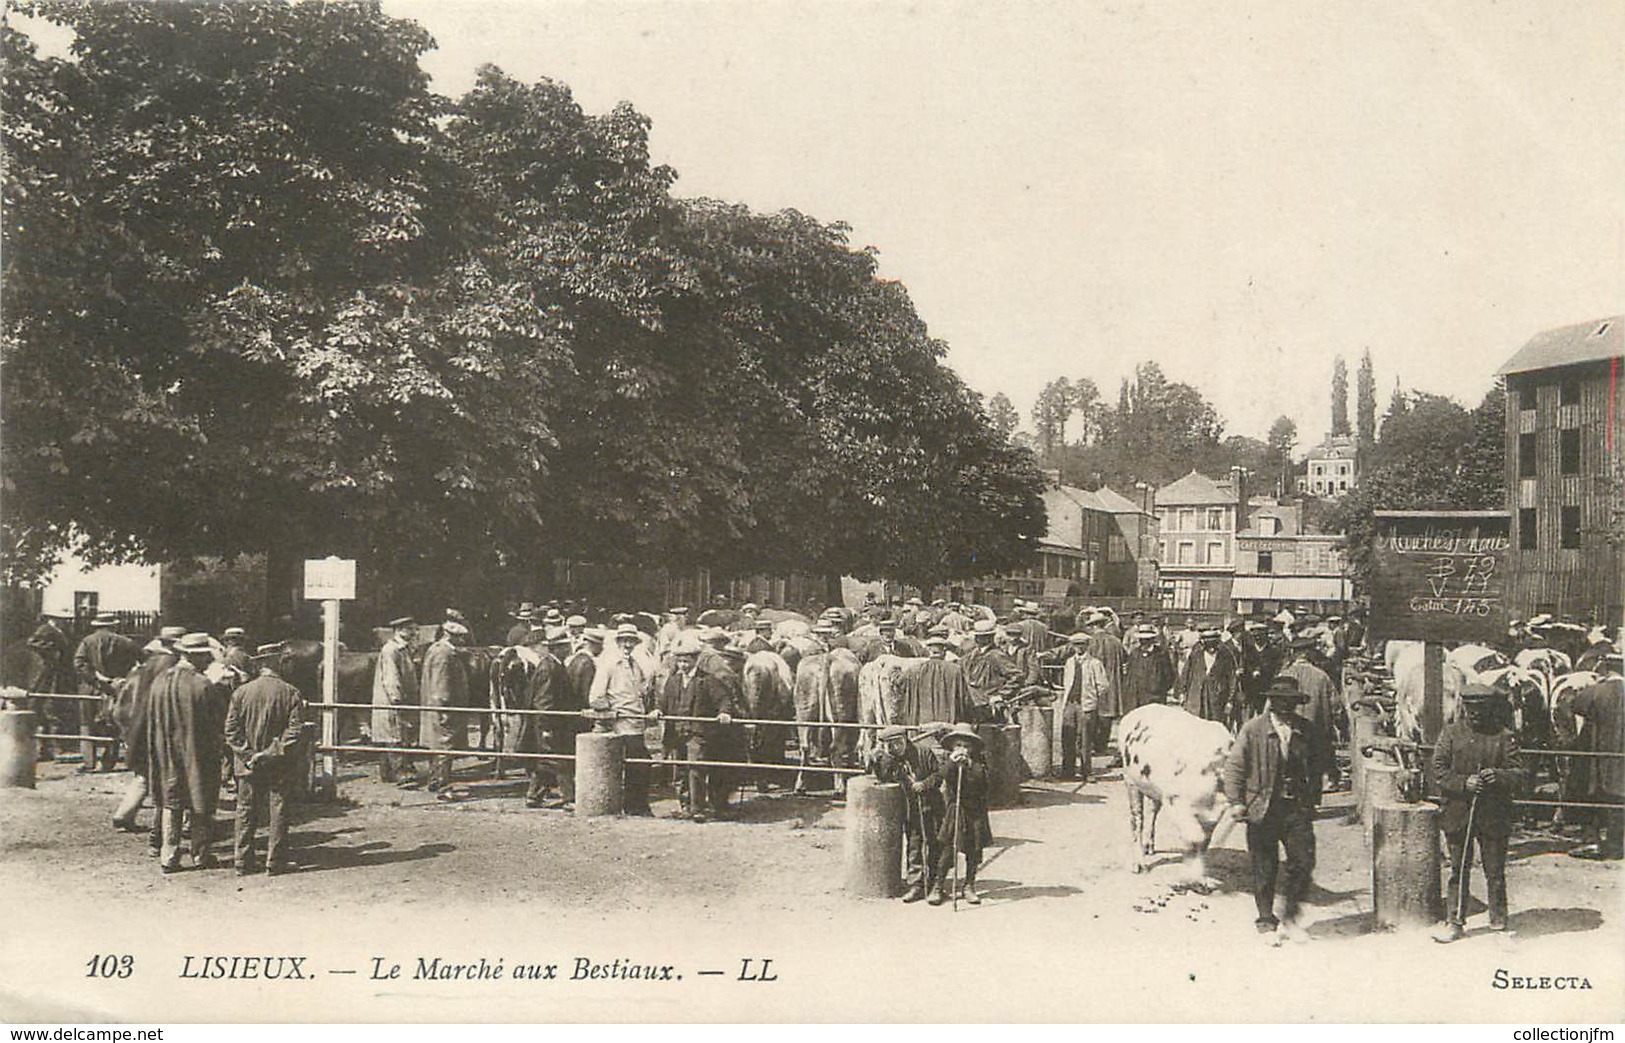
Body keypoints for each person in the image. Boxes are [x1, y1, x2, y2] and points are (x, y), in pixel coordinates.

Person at [1222, 675, 1332, 943]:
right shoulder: (1253, 730)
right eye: (1281, 702)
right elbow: (1235, 767)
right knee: (1264, 866)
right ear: (1271, 702)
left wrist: (1318, 787)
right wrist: (1236, 801)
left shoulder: (1306, 729)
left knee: (1303, 861)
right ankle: (1266, 920)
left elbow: (1319, 761)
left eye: (1291, 703)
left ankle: (1291, 916)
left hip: (1296, 807)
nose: (1286, 708)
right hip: (1263, 807)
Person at [1432, 684, 1528, 941]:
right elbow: (1439, 770)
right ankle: (1455, 921)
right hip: (1458, 813)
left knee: (1494, 870)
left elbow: (1519, 773)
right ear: (1464, 707)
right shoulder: (1450, 734)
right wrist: (1464, 783)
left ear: (1491, 710)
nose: (1475, 715)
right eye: (1471, 710)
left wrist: (1498, 776)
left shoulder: (1504, 737)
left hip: (1493, 815)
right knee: (1458, 869)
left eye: (1481, 710)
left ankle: (1498, 920)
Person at [147, 633, 229, 873]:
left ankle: (168, 855)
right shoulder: (202, 684)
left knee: (171, 802)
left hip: (165, 752)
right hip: (197, 752)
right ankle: (200, 854)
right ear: (197, 656)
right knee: (200, 800)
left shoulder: (160, 680)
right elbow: (219, 722)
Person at [224, 644, 306, 875]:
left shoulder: (241, 692)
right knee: (278, 810)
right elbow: (294, 731)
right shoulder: (290, 692)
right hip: (278, 764)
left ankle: (242, 861)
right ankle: (275, 861)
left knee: (245, 810)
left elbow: (231, 730)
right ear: (278, 663)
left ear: (260, 665)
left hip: (247, 765)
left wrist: (249, 755)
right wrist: (271, 752)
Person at [651, 634, 736, 822]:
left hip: (697, 732)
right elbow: (663, 701)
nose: (682, 665)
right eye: (679, 661)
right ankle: (685, 804)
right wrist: (657, 709)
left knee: (695, 767)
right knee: (680, 769)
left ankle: (697, 807)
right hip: (677, 732)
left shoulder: (707, 680)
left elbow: (723, 699)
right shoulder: (673, 681)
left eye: (686, 660)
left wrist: (724, 712)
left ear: (695, 659)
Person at [110, 628, 184, 837]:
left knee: (144, 771)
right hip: (158, 722)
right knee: (165, 774)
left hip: (138, 721)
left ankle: (125, 813)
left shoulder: (148, 664)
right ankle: (168, 825)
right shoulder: (170, 665)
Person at [867, 723, 947, 902]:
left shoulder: (924, 753)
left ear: (905, 740)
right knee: (914, 846)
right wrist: (877, 761)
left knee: (935, 844)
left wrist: (925, 784)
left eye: (897, 742)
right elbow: (884, 778)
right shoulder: (891, 759)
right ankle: (916, 885)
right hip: (911, 810)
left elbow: (939, 775)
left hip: (931, 806)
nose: (895, 747)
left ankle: (935, 884)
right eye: (890, 744)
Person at [1554, 658, 1622, 860]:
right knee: (1619, 800)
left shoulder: (1597, 690)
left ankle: (1593, 841)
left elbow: (1575, 705)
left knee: (1593, 797)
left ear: (1606, 670)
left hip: (1599, 757)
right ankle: (1616, 843)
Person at [590, 623, 658, 815]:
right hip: (621, 725)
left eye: (631, 641)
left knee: (640, 765)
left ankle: (636, 805)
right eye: (624, 641)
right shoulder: (609, 665)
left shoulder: (635, 665)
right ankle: (635, 807)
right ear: (618, 642)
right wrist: (612, 712)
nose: (628, 645)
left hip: (636, 723)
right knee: (638, 764)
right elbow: (596, 697)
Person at [930, 724, 993, 906]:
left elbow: (984, 784)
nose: (962, 750)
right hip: (956, 810)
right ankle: (938, 886)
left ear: (972, 748)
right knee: (948, 850)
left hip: (975, 812)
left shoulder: (980, 763)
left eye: (966, 746)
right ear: (952, 747)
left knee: (973, 850)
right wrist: (952, 763)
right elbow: (942, 776)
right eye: (958, 745)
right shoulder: (948, 761)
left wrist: (970, 766)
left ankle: (969, 885)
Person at [72, 612, 139, 772]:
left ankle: (89, 762)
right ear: (114, 625)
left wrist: (95, 678)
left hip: (90, 688)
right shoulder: (126, 642)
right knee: (113, 723)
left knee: (87, 723)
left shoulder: (87, 642)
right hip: (116, 688)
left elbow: (79, 663)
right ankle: (109, 761)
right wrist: (125, 677)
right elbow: (141, 660)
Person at [520, 628, 578, 809]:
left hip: (552, 723)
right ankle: (570, 798)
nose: (570, 648)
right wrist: (546, 727)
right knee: (560, 761)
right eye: (566, 645)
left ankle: (534, 795)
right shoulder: (550, 668)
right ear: (558, 648)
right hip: (550, 723)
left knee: (546, 760)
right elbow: (543, 701)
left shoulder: (553, 665)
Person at [1278, 635, 1341, 780]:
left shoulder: (1284, 674)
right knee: (1315, 767)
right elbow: (1335, 705)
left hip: (1291, 729)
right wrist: (1337, 724)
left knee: (1293, 768)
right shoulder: (1321, 676)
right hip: (1317, 729)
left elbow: (1272, 704)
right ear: (1307, 654)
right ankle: (1312, 800)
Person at [419, 619, 470, 792]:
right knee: (444, 746)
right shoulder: (445, 655)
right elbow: (442, 684)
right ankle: (443, 786)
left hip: (433, 706)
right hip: (443, 708)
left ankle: (435, 781)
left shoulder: (434, 649)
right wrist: (445, 708)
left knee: (436, 746)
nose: (462, 641)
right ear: (449, 636)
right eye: (459, 637)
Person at [371, 617, 420, 785]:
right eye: (411, 629)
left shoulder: (404, 649)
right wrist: (396, 698)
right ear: (399, 630)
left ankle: (386, 772)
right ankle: (401, 773)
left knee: (393, 734)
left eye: (415, 629)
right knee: (395, 735)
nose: (415, 633)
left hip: (399, 699)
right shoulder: (392, 650)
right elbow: (391, 677)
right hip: (391, 700)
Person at [1058, 633, 1109, 781]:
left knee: (1085, 739)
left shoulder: (1094, 663)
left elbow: (1103, 685)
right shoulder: (1069, 662)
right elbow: (1066, 682)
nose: (1079, 647)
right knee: (1068, 737)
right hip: (1070, 704)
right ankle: (1068, 771)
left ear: (1087, 645)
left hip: (1085, 705)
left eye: (1082, 644)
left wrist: (1092, 698)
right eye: (1076, 644)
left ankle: (1087, 771)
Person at [1178, 625, 1238, 725]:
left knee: (1215, 725)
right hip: (1196, 698)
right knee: (1195, 724)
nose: (1211, 647)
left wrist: (1230, 701)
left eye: (1213, 642)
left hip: (1217, 699)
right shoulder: (1196, 655)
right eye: (1208, 642)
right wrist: (1182, 693)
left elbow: (1232, 679)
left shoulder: (1226, 656)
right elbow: (1185, 674)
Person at [961, 620, 1019, 722]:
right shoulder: (970, 655)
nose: (977, 639)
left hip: (989, 704)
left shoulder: (996, 655)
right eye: (977, 636)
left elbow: (1016, 676)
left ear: (990, 637)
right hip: (972, 703)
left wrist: (1001, 695)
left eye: (982, 636)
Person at [1122, 623, 1174, 713]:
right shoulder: (1135, 654)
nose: (1144, 642)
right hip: (1137, 697)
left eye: (1147, 639)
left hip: (1155, 697)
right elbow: (1129, 676)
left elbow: (1169, 675)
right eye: (1142, 639)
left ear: (1152, 639)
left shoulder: (1161, 654)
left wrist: (1159, 688)